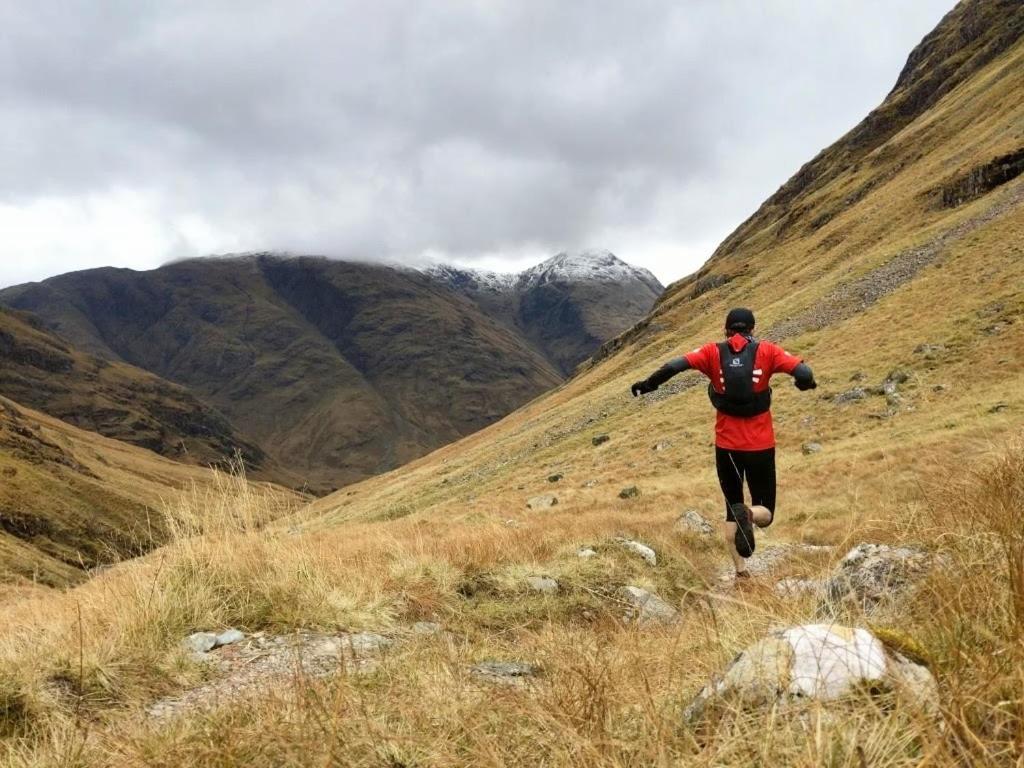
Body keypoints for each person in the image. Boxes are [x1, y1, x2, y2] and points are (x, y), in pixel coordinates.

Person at [630, 308, 817, 579]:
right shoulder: (768, 352)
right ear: (752, 329)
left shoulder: (711, 352)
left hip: (726, 446)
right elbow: (803, 370)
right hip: (761, 446)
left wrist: (648, 385)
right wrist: (806, 384)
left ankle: (741, 572)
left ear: (726, 330)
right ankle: (750, 515)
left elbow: (673, 366)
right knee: (765, 511)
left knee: (731, 507)